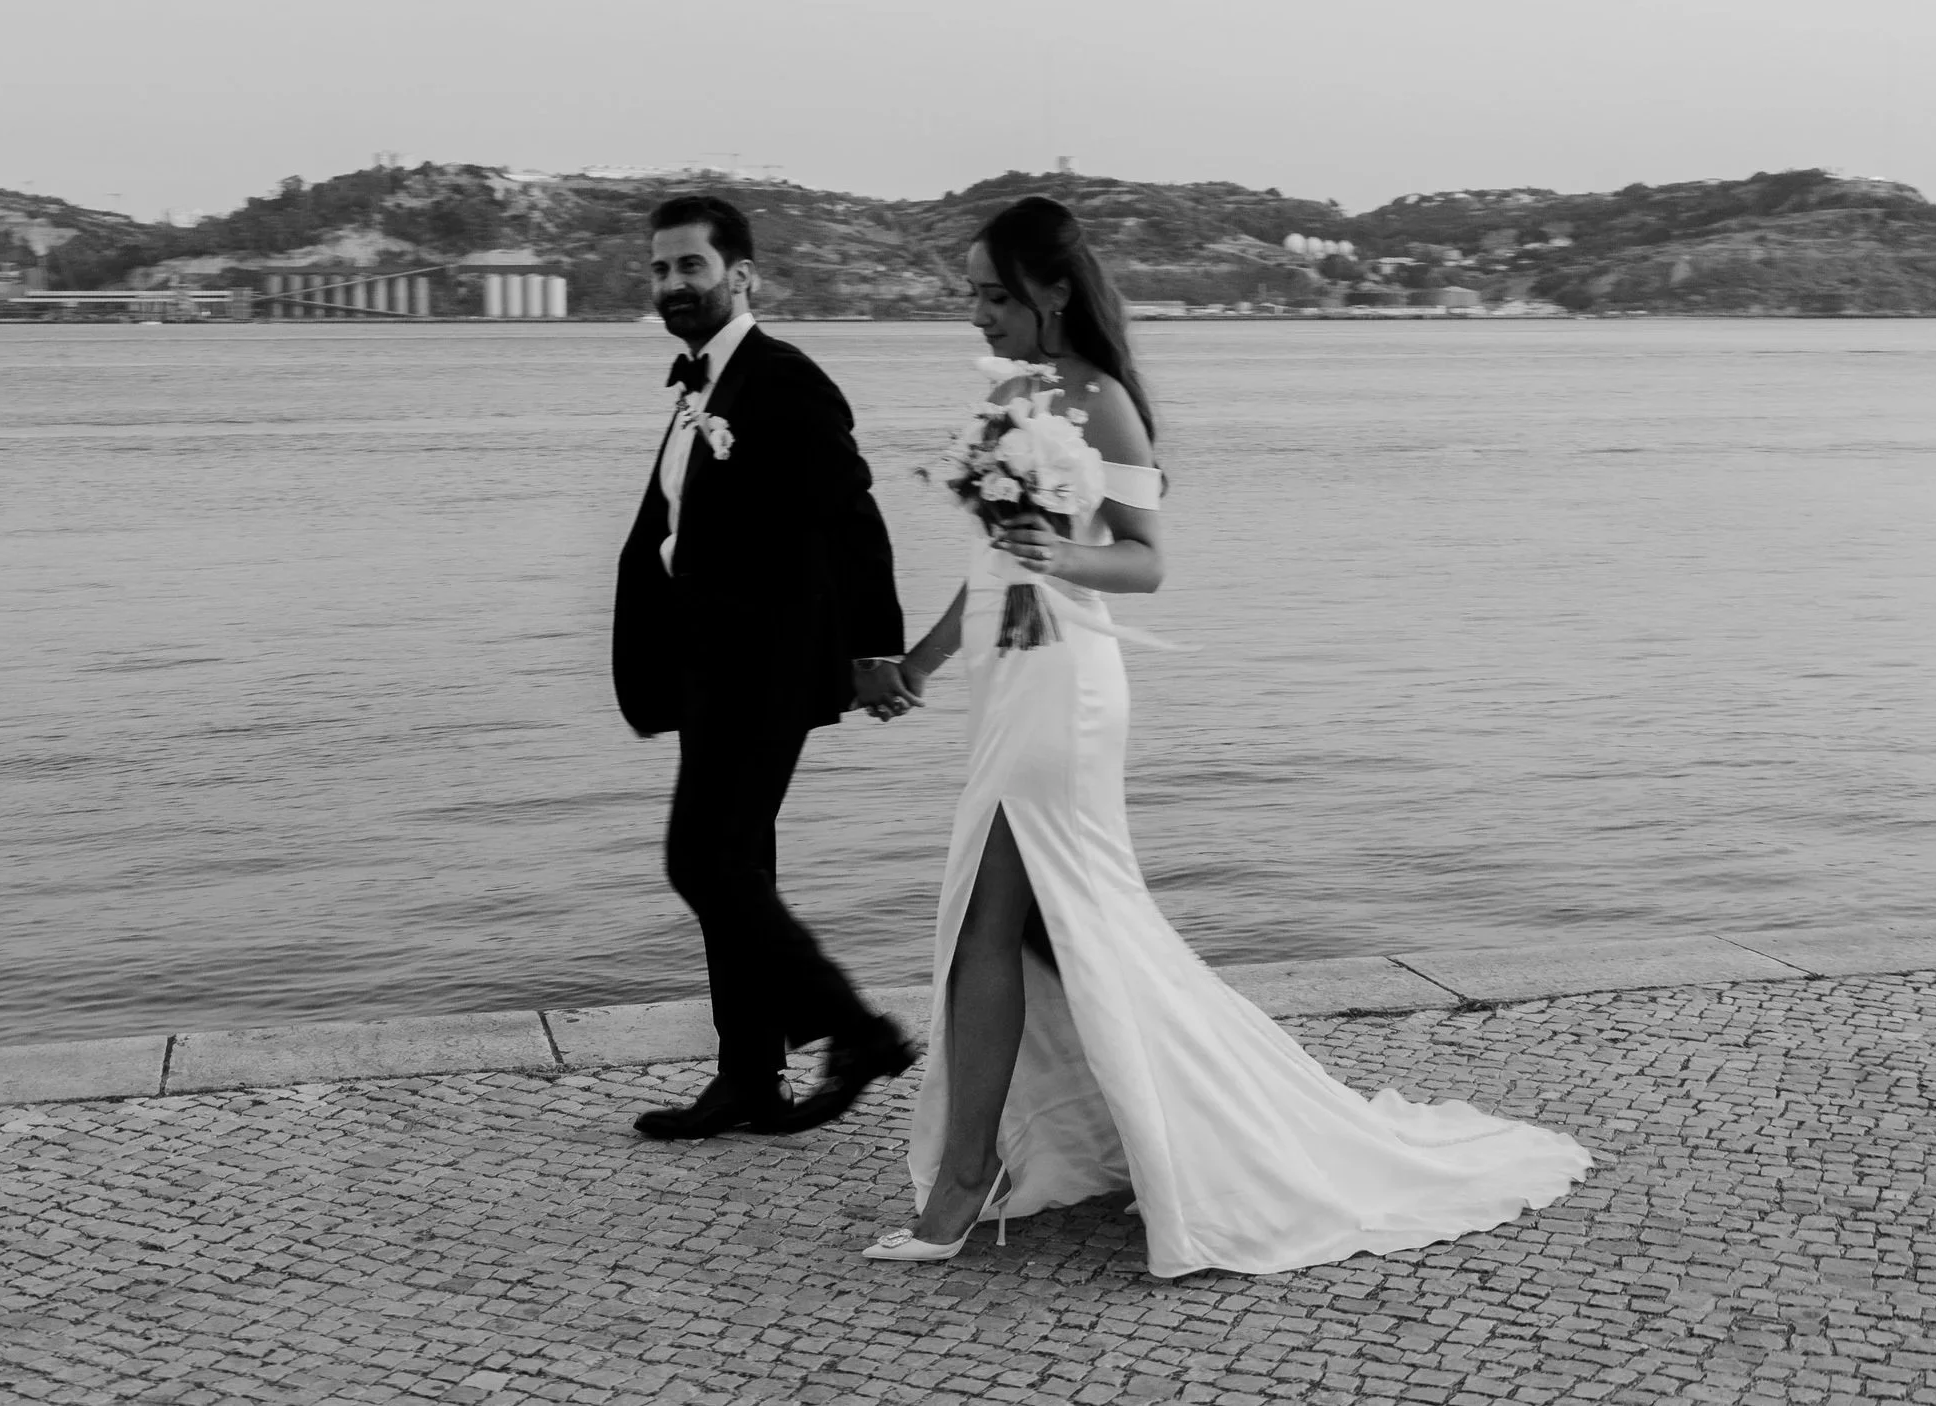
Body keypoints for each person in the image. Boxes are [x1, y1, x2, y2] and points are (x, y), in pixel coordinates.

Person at [862, 196, 1591, 1275]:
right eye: (968, 292)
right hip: (1004, 678)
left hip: (1065, 686)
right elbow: (993, 563)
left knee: (983, 923)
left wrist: (1057, 557)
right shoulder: (1012, 396)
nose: (972, 311)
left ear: (1051, 292)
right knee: (1057, 933)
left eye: (989, 292)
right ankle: (1142, 1137)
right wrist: (920, 661)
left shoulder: (1101, 401)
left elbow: (1144, 558)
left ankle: (963, 1184)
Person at [612, 194, 921, 1140]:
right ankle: (749, 1075)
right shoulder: (702, 385)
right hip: (707, 664)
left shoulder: (782, 379)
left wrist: (876, 650)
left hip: (764, 667)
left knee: (702, 863)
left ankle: (856, 1029)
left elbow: (853, 520)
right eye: (661, 269)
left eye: (691, 267)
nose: (673, 285)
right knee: (738, 867)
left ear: (742, 275)